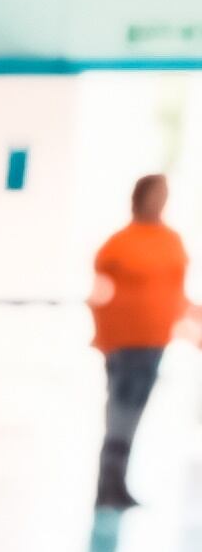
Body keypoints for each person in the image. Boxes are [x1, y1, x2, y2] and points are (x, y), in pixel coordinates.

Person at [90, 173, 188, 510]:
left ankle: (118, 483)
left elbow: (176, 294)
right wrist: (105, 333)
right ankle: (107, 485)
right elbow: (99, 292)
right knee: (120, 412)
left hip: (154, 341)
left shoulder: (172, 241)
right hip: (124, 342)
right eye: (156, 193)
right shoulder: (120, 243)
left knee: (134, 413)